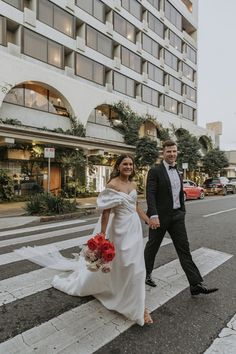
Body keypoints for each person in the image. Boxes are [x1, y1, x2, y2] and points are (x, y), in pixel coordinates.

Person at [15, 154, 153, 325]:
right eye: (125, 164)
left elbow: (135, 205)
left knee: (136, 266)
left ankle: (137, 305)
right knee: (124, 264)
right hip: (119, 229)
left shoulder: (133, 184)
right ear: (118, 166)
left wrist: (147, 219)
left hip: (134, 227)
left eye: (131, 164)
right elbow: (106, 212)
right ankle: (128, 300)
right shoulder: (112, 184)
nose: (128, 167)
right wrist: (102, 235)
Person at [144, 140, 218, 296]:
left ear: (177, 153)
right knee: (152, 247)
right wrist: (154, 215)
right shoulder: (155, 171)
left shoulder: (178, 172)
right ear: (163, 153)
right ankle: (146, 274)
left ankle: (195, 284)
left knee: (184, 250)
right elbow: (150, 194)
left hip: (177, 216)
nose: (171, 154)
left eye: (174, 151)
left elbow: (178, 194)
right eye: (168, 151)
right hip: (160, 217)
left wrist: (182, 211)